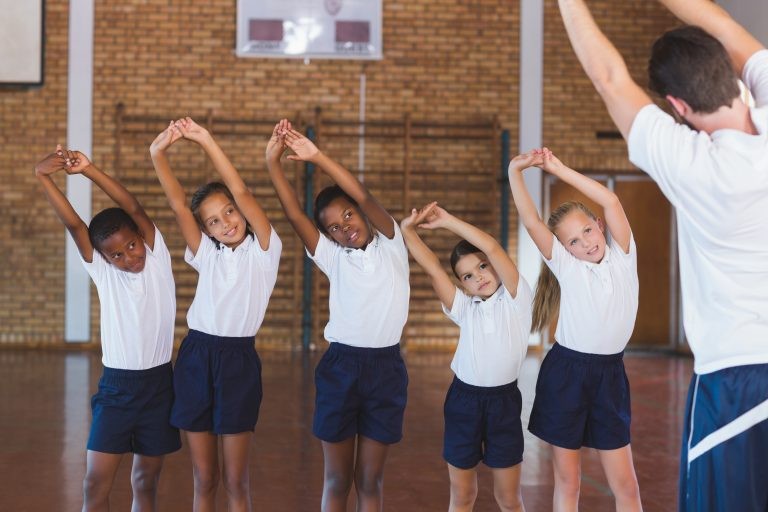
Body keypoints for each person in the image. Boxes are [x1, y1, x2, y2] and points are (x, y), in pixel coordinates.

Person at [556, 0, 768, 508]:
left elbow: (609, 78)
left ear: (676, 105)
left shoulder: (696, 166)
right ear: (734, 74)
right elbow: (724, 25)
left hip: (737, 376)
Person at [265, 119, 409, 512]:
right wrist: (272, 163)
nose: (344, 228)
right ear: (327, 237)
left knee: (370, 481)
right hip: (341, 367)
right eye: (332, 227)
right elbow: (295, 216)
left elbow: (362, 194)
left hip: (385, 368)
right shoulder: (334, 259)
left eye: (347, 216)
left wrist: (318, 157)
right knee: (336, 479)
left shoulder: (391, 243)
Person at [35, 146, 180, 512]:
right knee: (95, 481)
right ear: (103, 257)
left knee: (145, 481)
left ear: (141, 238)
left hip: (159, 386)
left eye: (132, 246)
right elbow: (75, 225)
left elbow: (132, 206)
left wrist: (88, 169)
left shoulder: (156, 256)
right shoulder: (103, 272)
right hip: (117, 388)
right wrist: (43, 176)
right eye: (117, 254)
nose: (129, 257)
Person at [150, 118, 281, 512]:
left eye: (229, 211)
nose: (226, 223)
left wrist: (206, 139)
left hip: (238, 361)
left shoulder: (265, 250)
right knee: (205, 478)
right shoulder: (207, 254)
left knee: (236, 481)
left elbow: (239, 187)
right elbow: (176, 204)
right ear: (205, 231)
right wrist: (157, 154)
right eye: (213, 221)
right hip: (196, 357)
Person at [509, 148, 642, 512]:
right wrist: (514, 171)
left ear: (600, 224)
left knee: (626, 485)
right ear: (565, 250)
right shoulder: (568, 268)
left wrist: (559, 169)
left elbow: (611, 199)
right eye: (573, 242)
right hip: (566, 374)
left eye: (587, 230)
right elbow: (532, 221)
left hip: (609, 375)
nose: (586, 243)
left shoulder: (624, 255)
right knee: (569, 482)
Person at [400, 202, 530, 512]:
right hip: (464, 402)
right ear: (463, 285)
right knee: (462, 497)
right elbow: (432, 266)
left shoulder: (516, 297)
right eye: (468, 276)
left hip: (503, 403)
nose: (479, 277)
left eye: (483, 266)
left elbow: (492, 246)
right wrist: (407, 231)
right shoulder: (464, 309)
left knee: (509, 499)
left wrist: (447, 220)